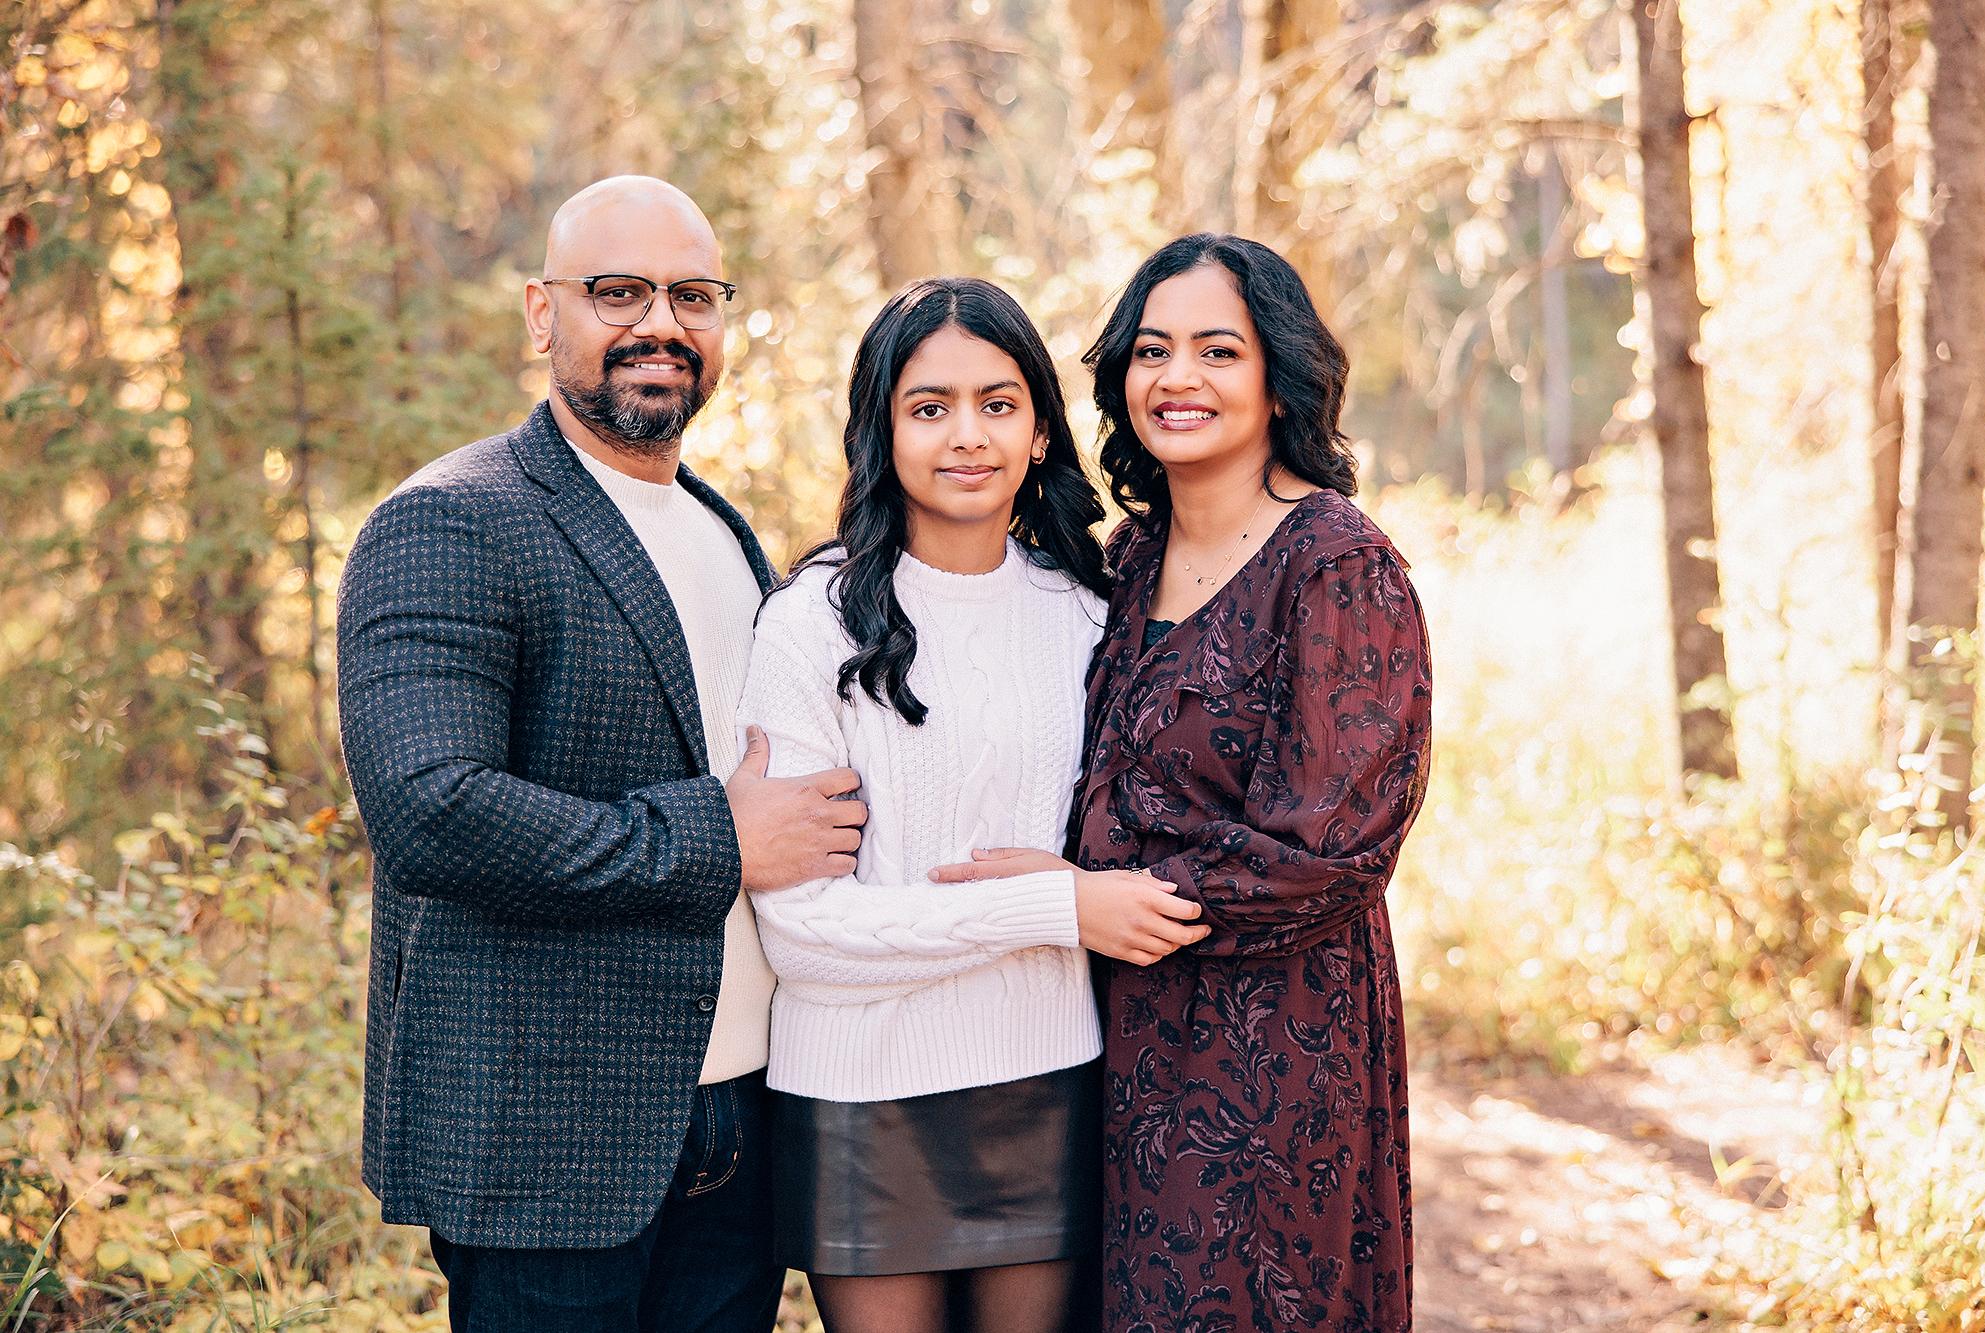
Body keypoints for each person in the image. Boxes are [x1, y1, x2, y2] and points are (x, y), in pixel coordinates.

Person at [336, 175, 867, 1333]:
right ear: (542, 315)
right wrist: (719, 838)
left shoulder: (726, 534)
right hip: (546, 1148)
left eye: (691, 296)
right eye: (617, 292)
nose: (660, 325)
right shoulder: (451, 520)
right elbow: (431, 808)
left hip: (740, 1120)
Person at [934, 234, 1434, 1331]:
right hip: (1098, 1029)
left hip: (1267, 1044)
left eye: (1218, 350)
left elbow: (1331, 849)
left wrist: (1098, 896)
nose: (1178, 378)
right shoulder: (1119, 560)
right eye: (1152, 350)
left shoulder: (1335, 565)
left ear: (1277, 376)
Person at [737, 277, 1209, 1333]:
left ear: (1040, 431)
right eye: (928, 405)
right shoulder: (808, 625)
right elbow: (808, 932)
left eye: (998, 404)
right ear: (881, 429)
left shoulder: (1086, 615)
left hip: (1046, 1076)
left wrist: (1075, 901)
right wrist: (1056, 910)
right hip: (854, 1093)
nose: (967, 436)